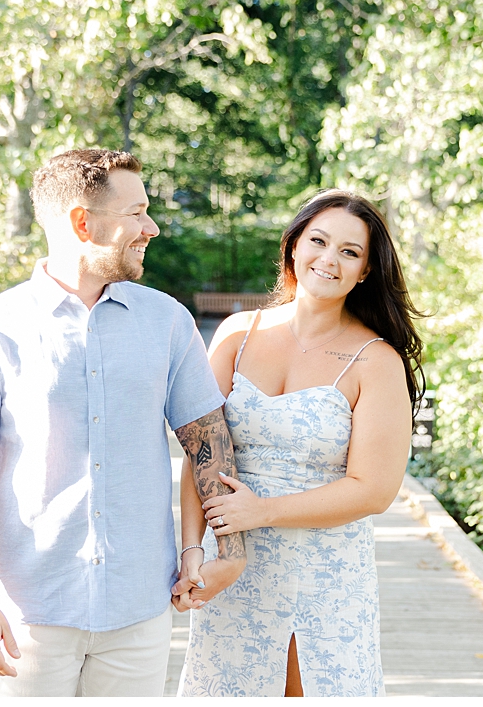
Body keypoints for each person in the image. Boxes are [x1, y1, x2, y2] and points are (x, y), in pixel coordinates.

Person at [0, 149, 248, 697]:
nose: (151, 227)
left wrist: (223, 552)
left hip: (140, 608)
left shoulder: (167, 322)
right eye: (138, 212)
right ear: (84, 222)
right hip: (31, 613)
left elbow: (209, 444)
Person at [176, 189, 423, 697]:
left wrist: (261, 511)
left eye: (350, 252)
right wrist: (194, 552)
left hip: (325, 574)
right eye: (319, 241)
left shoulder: (376, 362)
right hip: (233, 563)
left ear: (366, 272)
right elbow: (202, 450)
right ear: (293, 247)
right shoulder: (237, 335)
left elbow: (373, 490)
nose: (329, 260)